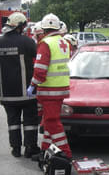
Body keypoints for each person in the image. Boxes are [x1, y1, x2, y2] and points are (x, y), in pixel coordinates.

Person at [27, 13, 72, 160]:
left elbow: (40, 69)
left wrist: (33, 85)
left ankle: (66, 153)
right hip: (61, 88)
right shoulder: (64, 42)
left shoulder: (46, 43)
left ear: (44, 29)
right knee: (47, 121)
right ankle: (44, 151)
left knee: (52, 122)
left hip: (49, 90)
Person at [0, 12, 40, 158]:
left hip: (7, 94)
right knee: (30, 122)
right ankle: (30, 148)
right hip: (27, 93)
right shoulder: (27, 42)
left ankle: (16, 149)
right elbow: (38, 58)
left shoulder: (0, 42)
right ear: (20, 26)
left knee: (13, 122)